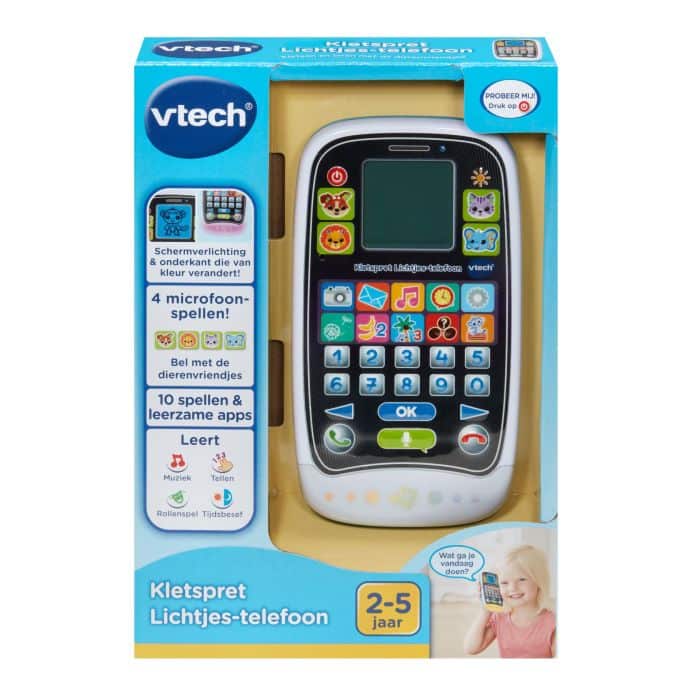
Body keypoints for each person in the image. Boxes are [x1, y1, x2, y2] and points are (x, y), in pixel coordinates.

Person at [464, 545, 555, 658]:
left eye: (522, 579)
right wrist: (485, 611)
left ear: (539, 581)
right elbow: (471, 648)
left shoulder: (553, 623)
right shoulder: (499, 618)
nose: (512, 588)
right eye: (504, 583)